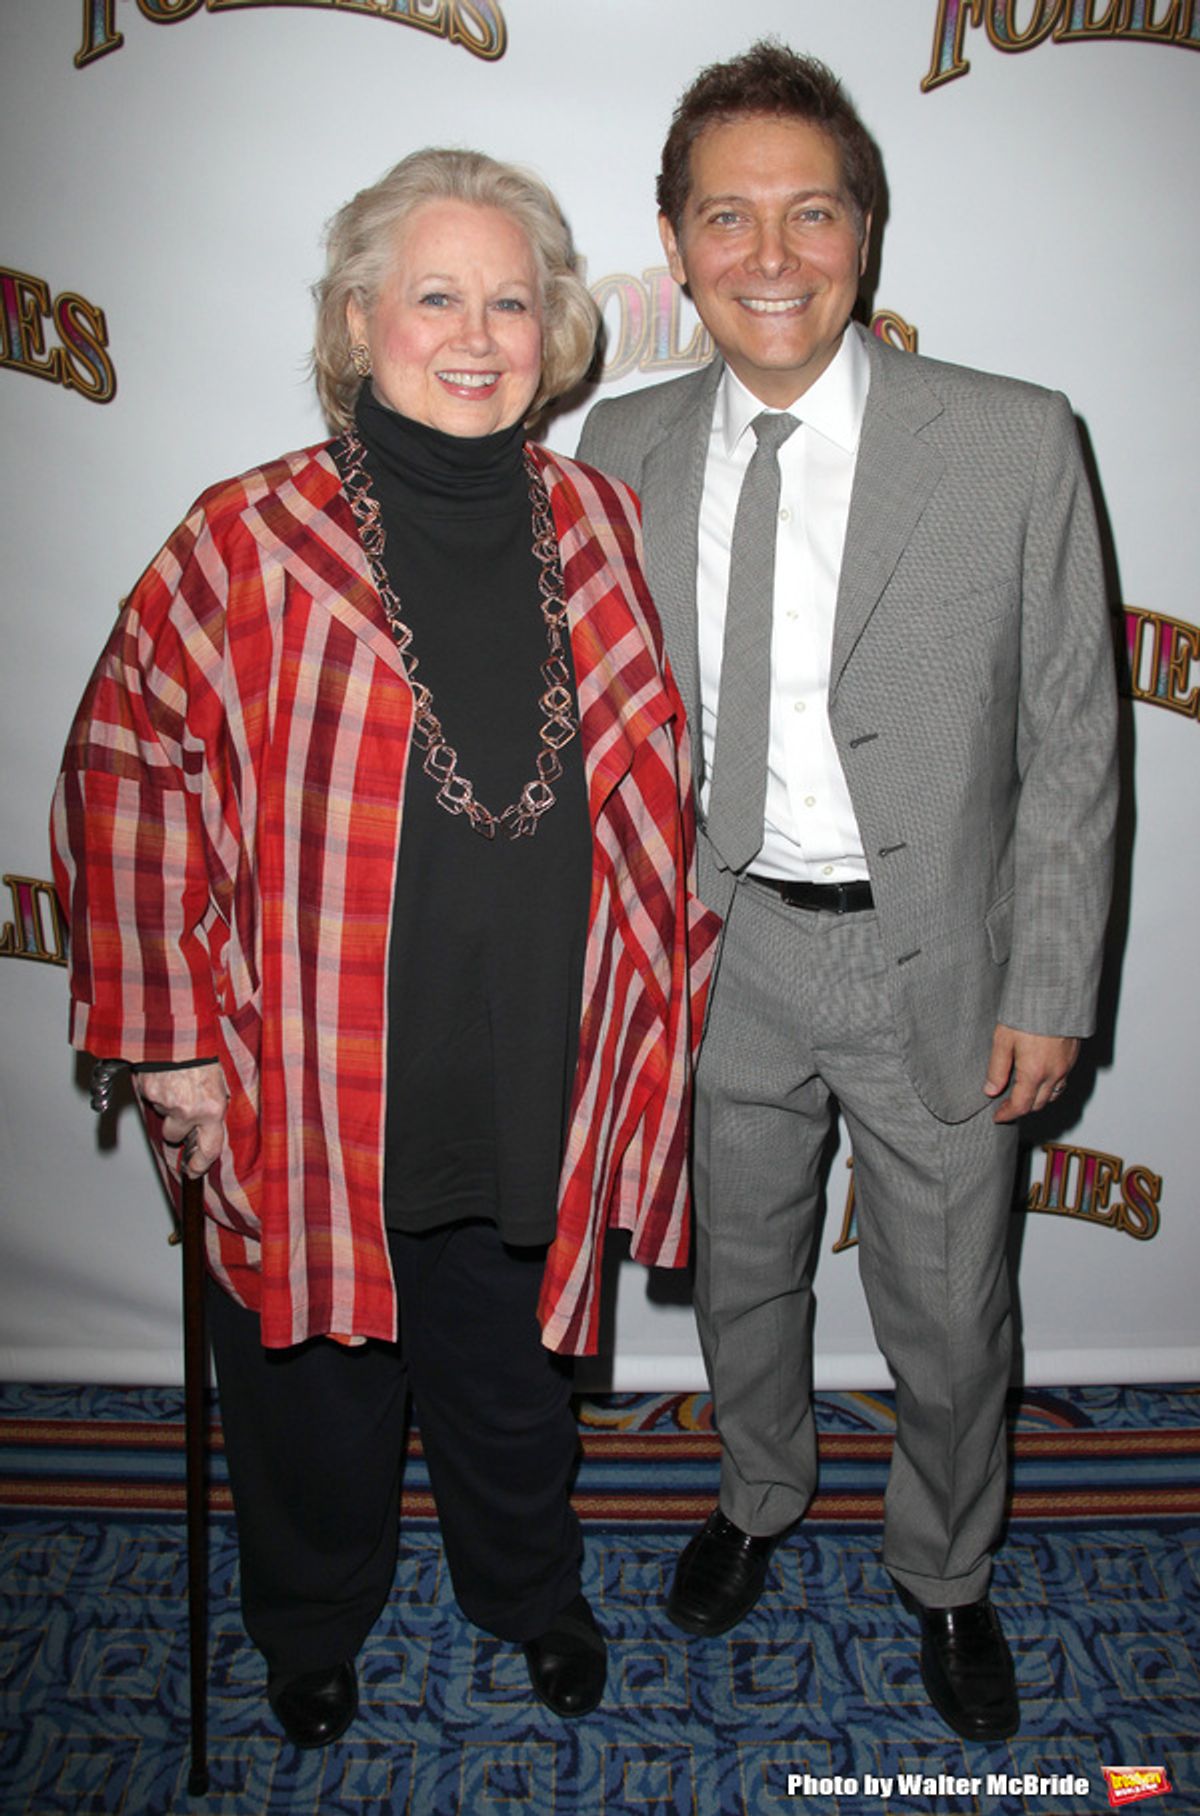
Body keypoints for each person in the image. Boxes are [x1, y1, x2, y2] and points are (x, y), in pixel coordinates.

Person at [52, 147, 717, 1748]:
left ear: (556, 331)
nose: (477, 333)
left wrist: (649, 1024)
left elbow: (643, 789)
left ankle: (529, 1592)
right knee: (311, 1386)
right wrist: (173, 1043)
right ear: (359, 325)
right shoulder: (248, 538)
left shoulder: (598, 519)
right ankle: (309, 1619)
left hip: (532, 1060)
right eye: (437, 296)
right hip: (312, 1068)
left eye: (512, 299)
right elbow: (124, 766)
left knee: (508, 1375)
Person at [579, 42, 1117, 1742]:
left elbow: (1076, 740)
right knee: (740, 1271)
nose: (771, 253)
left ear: (865, 236)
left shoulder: (1018, 440)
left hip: (929, 958)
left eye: (811, 211)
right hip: (720, 947)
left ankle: (947, 1575)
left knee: (951, 1304)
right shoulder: (624, 438)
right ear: (674, 245)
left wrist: (1049, 980)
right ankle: (755, 1492)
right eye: (727, 216)